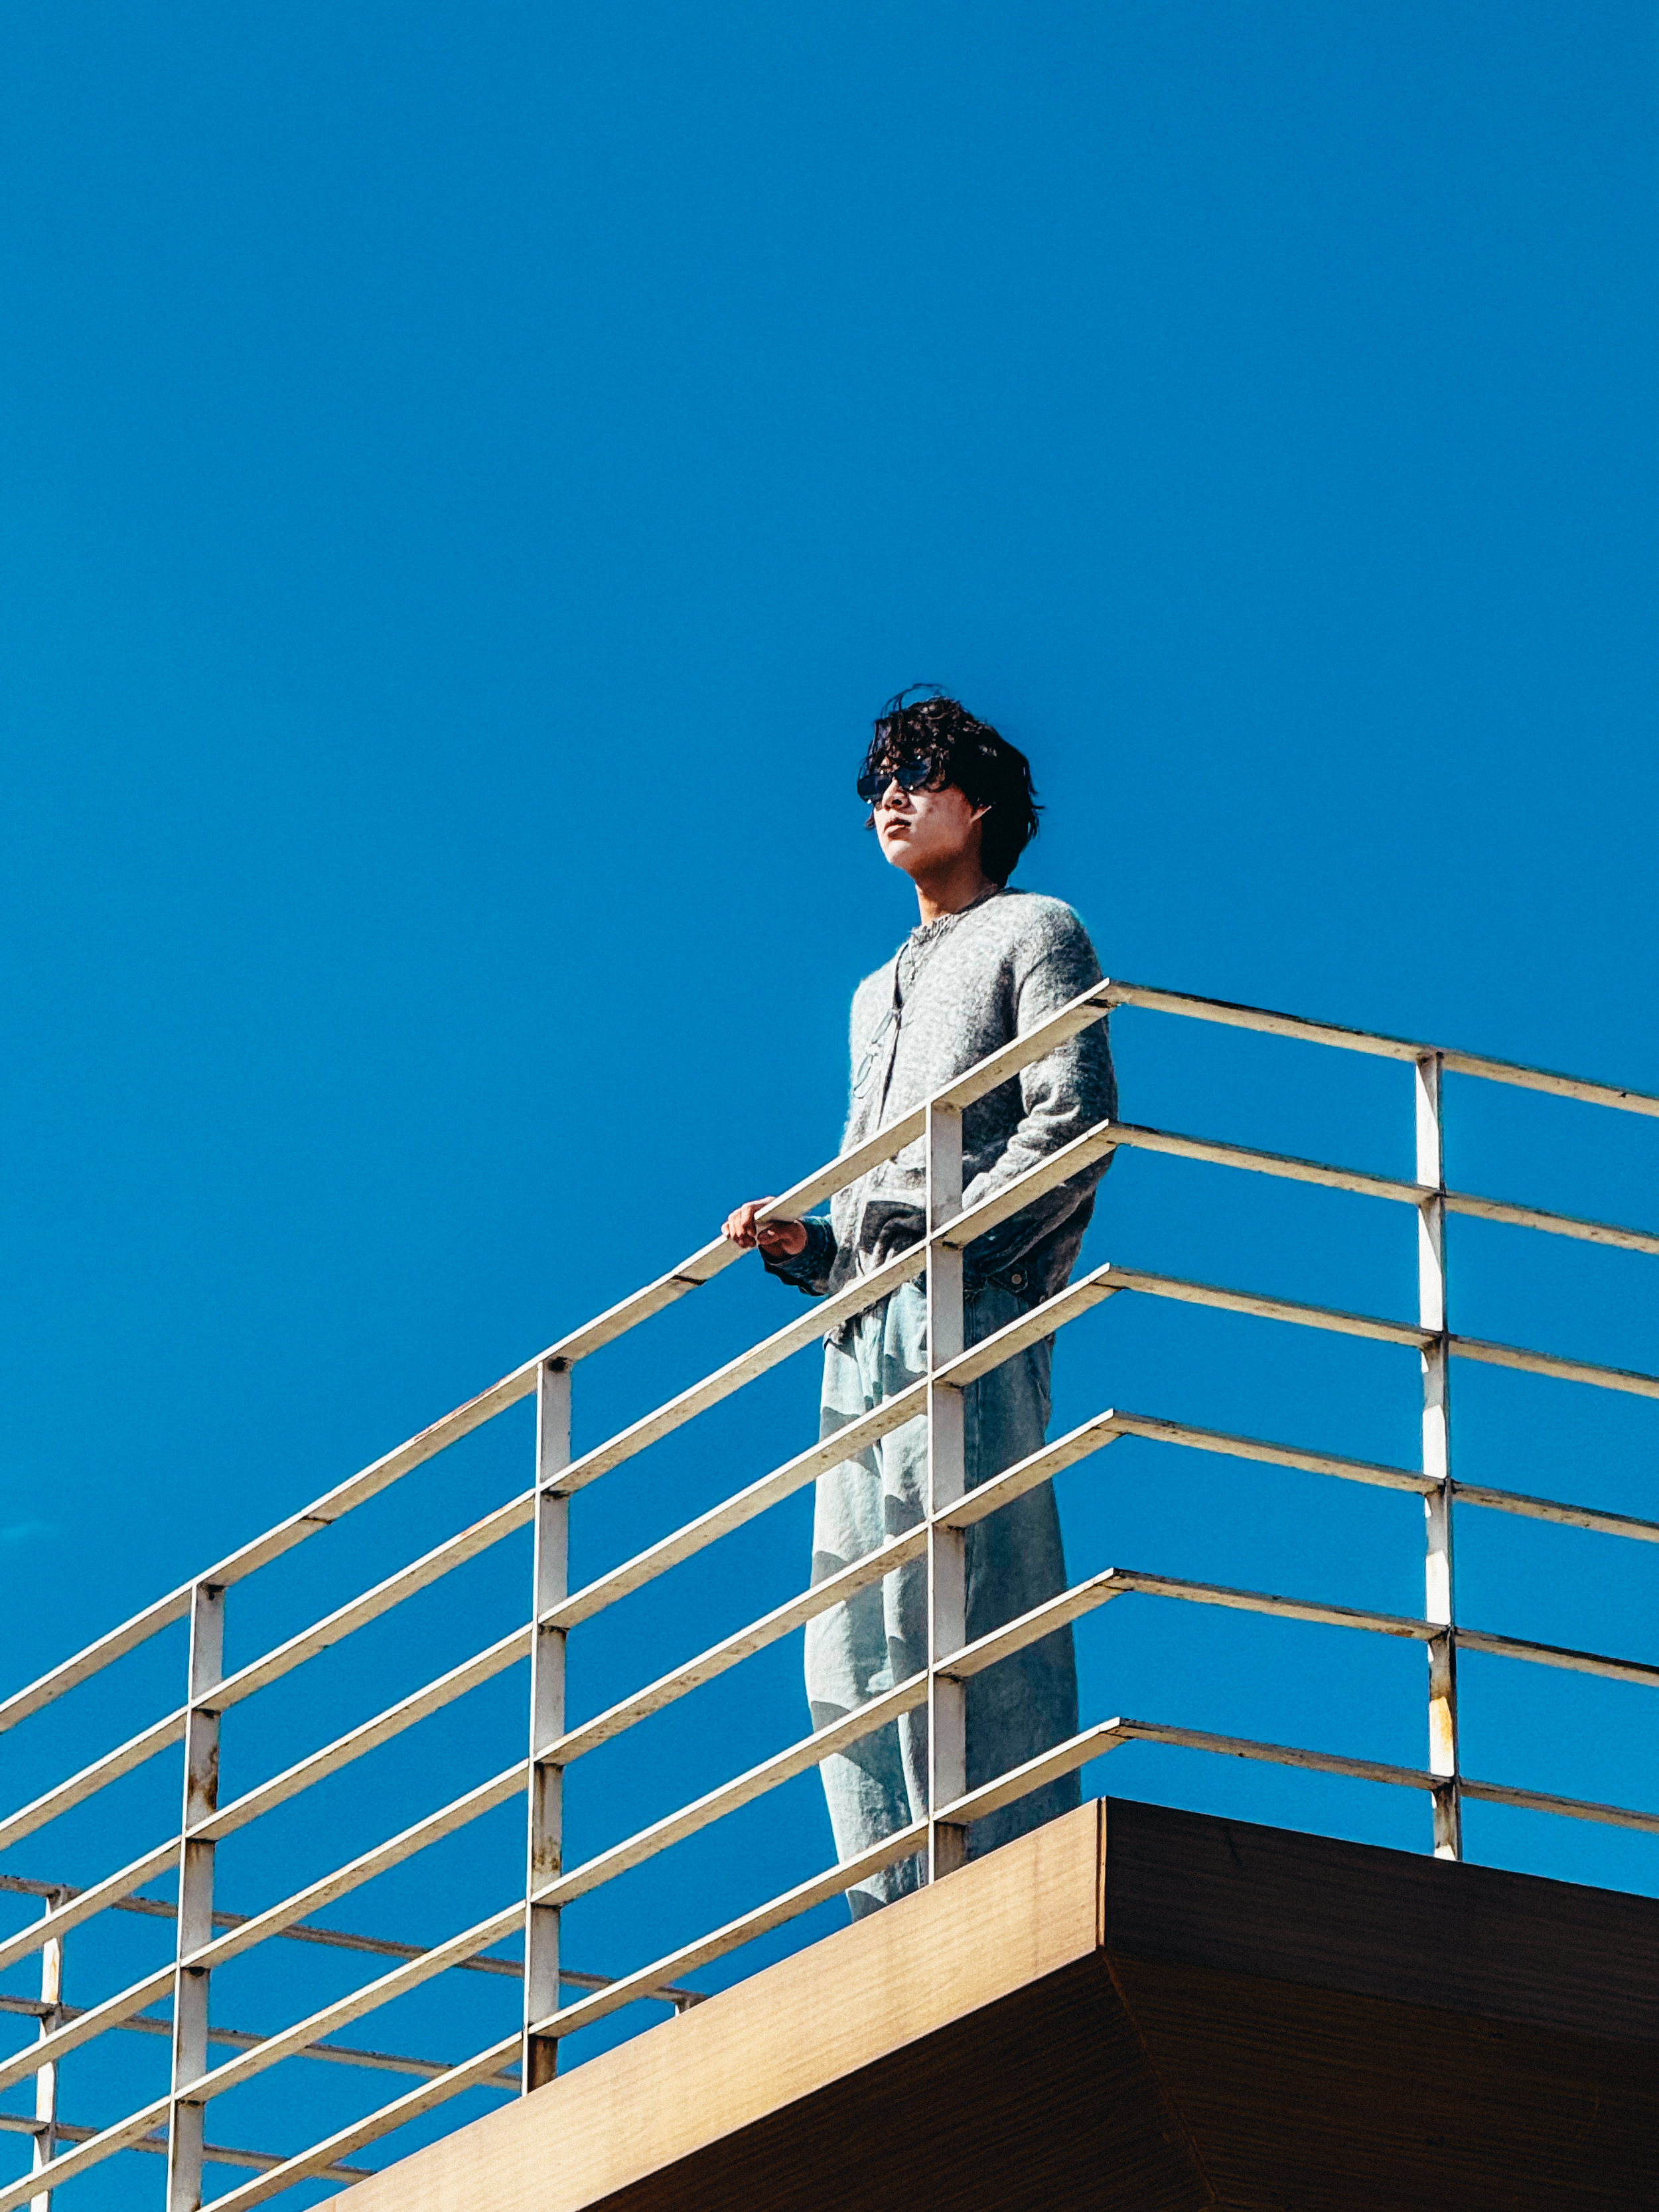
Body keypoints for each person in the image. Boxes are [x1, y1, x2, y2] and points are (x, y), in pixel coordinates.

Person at [721, 689, 1116, 1916]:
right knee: (847, 1627)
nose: (891, 797)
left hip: (975, 1298)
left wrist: (958, 1237)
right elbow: (876, 1174)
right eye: (879, 779)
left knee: (969, 1580)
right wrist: (815, 1246)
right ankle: (892, 1907)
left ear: (980, 803)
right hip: (865, 1321)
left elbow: (1074, 1115)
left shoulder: (1036, 929)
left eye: (921, 774)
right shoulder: (870, 991)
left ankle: (1009, 1883)